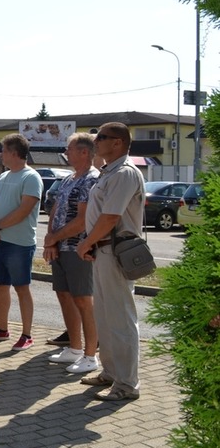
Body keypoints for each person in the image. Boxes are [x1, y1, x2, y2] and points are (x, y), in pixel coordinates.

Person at [75, 123, 145, 401]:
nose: (96, 142)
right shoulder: (110, 172)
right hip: (103, 250)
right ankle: (112, 373)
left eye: (101, 138)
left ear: (117, 143)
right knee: (105, 317)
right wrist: (92, 243)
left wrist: (87, 241)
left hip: (116, 251)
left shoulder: (125, 173)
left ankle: (127, 384)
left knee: (121, 320)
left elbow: (111, 217)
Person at [44, 133, 100, 374]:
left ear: (84, 152)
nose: (66, 152)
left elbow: (83, 221)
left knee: (83, 300)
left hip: (78, 249)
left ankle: (90, 355)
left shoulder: (91, 180)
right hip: (60, 247)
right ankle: (75, 348)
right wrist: (50, 241)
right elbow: (55, 211)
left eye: (70, 148)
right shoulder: (68, 179)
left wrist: (55, 238)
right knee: (64, 296)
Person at [0, 134, 43, 351]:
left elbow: (24, 211)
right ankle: (2, 329)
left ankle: (27, 334)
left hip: (19, 244)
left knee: (22, 288)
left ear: (15, 153)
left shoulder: (31, 177)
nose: (1, 154)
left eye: (4, 150)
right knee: (1, 286)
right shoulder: (5, 176)